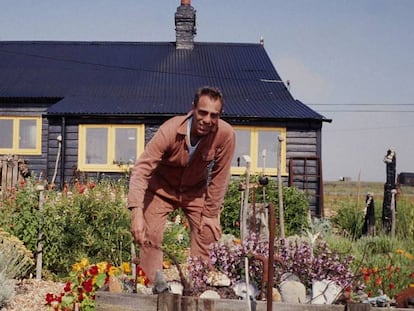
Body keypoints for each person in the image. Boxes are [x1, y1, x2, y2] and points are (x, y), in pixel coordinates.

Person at [128, 86, 236, 283]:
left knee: (208, 232)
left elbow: (220, 176)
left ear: (220, 115)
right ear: (193, 108)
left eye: (214, 115)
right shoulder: (170, 130)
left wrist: (211, 215)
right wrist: (136, 213)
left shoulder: (225, 135)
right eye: (202, 112)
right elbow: (141, 169)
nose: (207, 120)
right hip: (160, 189)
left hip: (194, 192)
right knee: (149, 235)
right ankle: (152, 288)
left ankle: (200, 287)